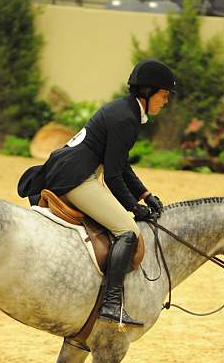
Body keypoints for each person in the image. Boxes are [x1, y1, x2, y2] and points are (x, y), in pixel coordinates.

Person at [18, 59, 177, 327]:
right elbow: (113, 175)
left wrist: (145, 195)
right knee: (127, 231)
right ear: (148, 92)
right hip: (75, 177)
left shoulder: (125, 111)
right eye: (164, 95)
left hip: (72, 169)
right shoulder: (126, 118)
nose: (166, 101)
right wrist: (133, 208)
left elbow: (120, 164)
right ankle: (112, 303)